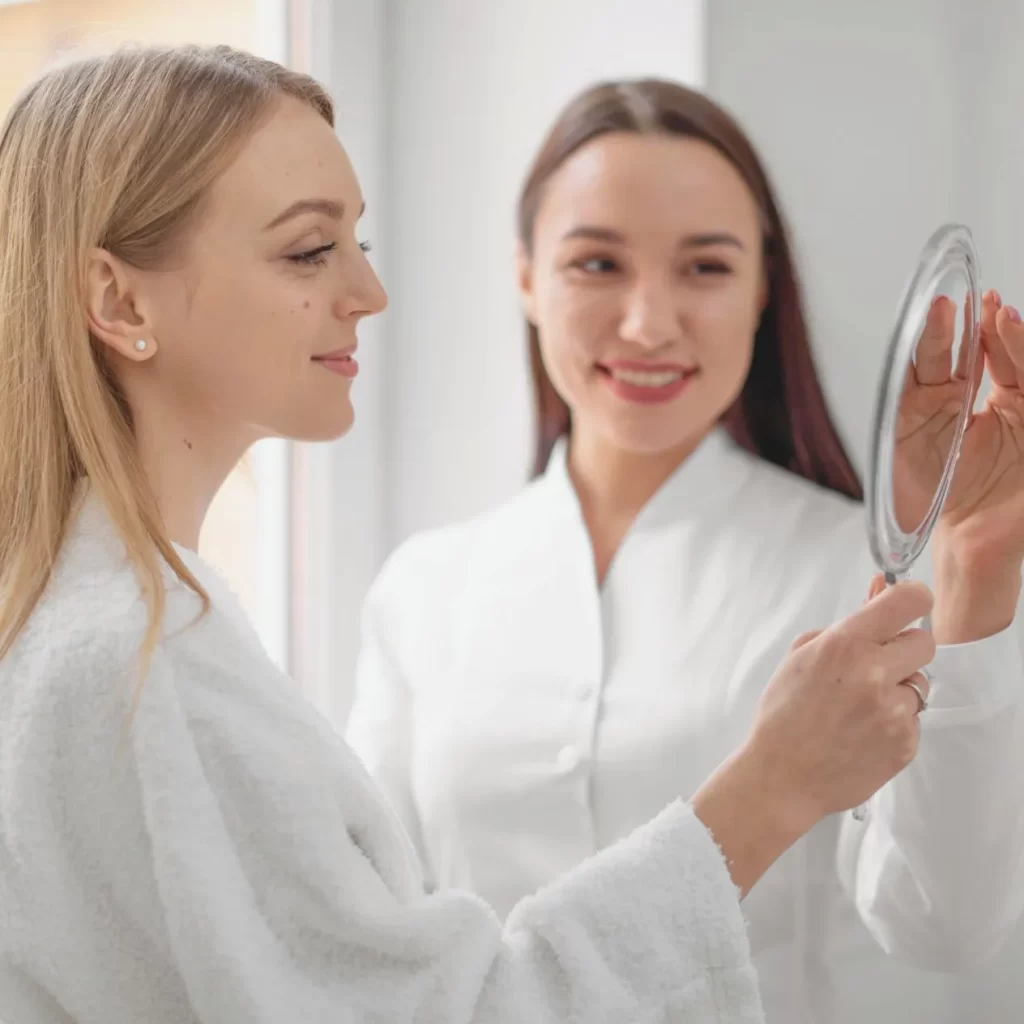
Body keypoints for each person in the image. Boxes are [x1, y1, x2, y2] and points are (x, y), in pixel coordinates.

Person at [0, 45, 951, 1024]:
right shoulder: (151, 667)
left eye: (354, 242)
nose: (367, 294)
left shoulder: (96, 631)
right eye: (305, 249)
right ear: (118, 299)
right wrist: (768, 787)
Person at [346, 79, 1024, 1024]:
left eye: (705, 268)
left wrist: (980, 571)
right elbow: (374, 941)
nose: (649, 323)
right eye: (596, 264)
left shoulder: (858, 571)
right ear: (527, 277)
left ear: (762, 291)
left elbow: (948, 926)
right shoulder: (424, 592)